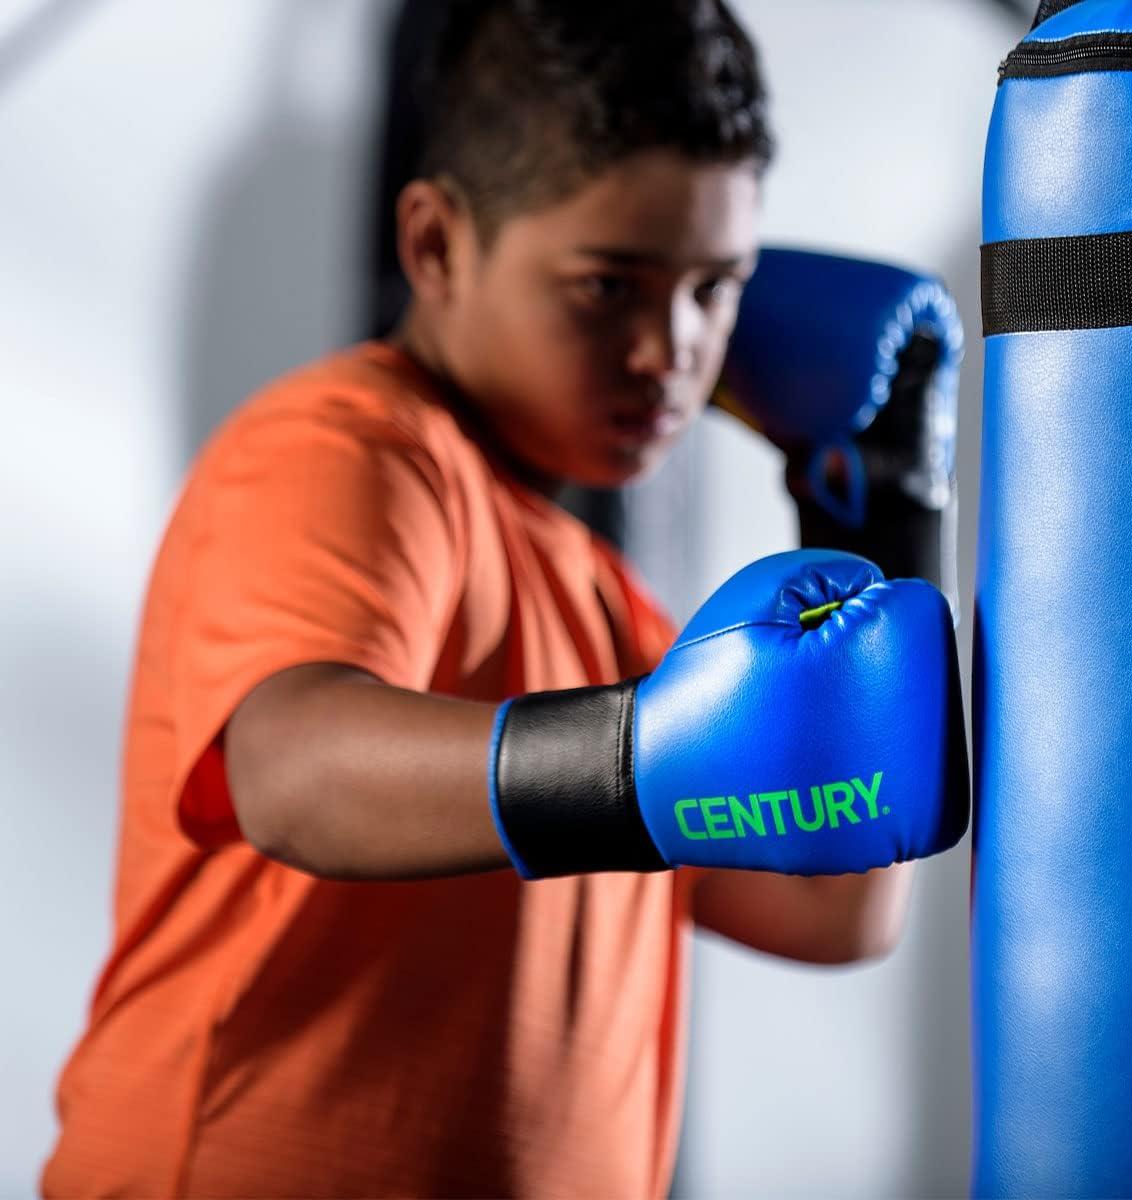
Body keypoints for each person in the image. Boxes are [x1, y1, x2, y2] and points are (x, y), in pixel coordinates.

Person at [40, 2, 964, 1196]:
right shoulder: (347, 448)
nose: (671, 349)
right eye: (608, 286)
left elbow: (834, 912)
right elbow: (289, 772)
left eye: (714, 287)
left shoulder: (596, 596)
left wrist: (879, 507)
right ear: (433, 246)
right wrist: (628, 765)